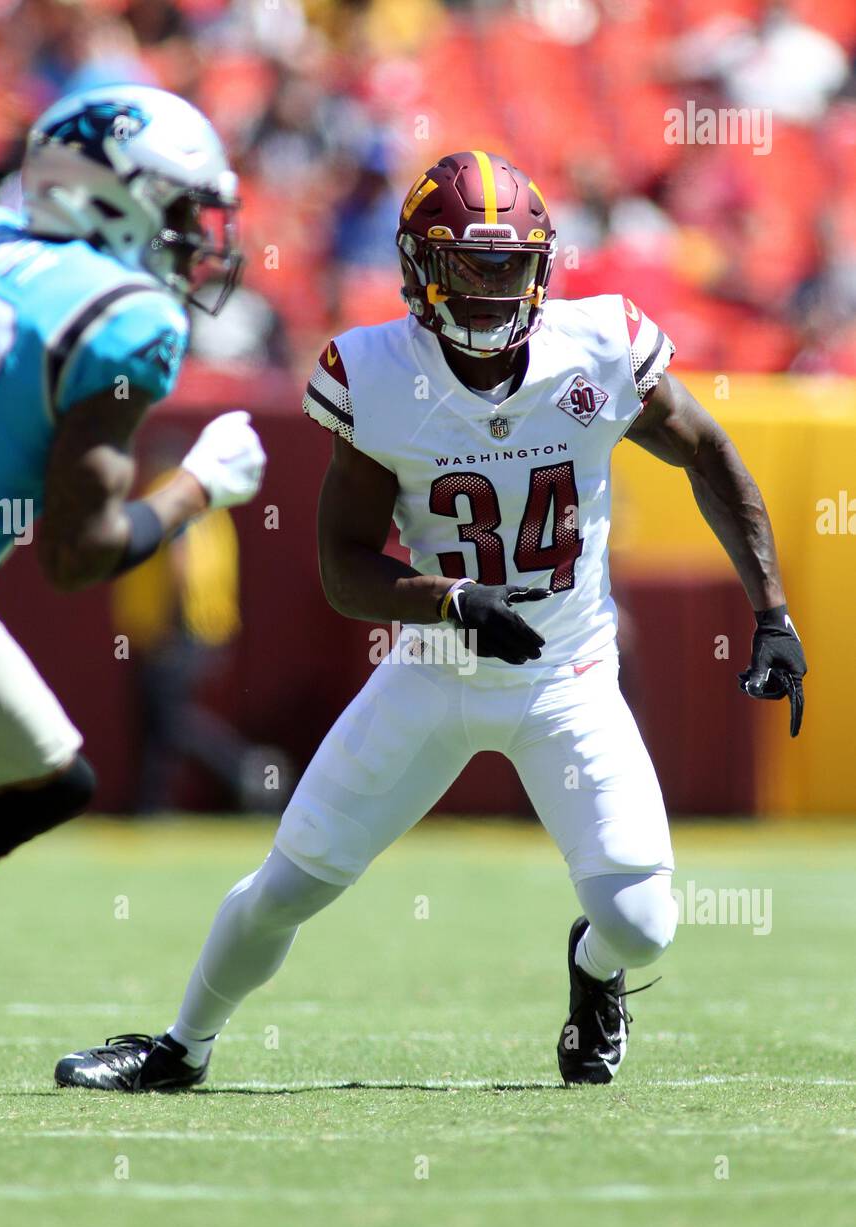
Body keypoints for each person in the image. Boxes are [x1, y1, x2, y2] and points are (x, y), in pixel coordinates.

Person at [55, 151, 806, 1092]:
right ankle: (180, 1047)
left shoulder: (602, 345)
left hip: (569, 679)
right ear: (418, 268)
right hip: (435, 670)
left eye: (511, 266)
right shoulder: (376, 373)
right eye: (470, 267)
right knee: (288, 886)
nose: (494, 290)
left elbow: (709, 454)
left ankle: (593, 970)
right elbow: (342, 569)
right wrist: (447, 602)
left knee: (644, 924)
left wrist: (772, 610)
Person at [0, 83, 266, 867]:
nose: (193, 236)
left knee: (49, 776)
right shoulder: (126, 318)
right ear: (112, 196)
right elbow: (79, 554)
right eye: (179, 209)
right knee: (49, 781)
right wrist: (202, 484)